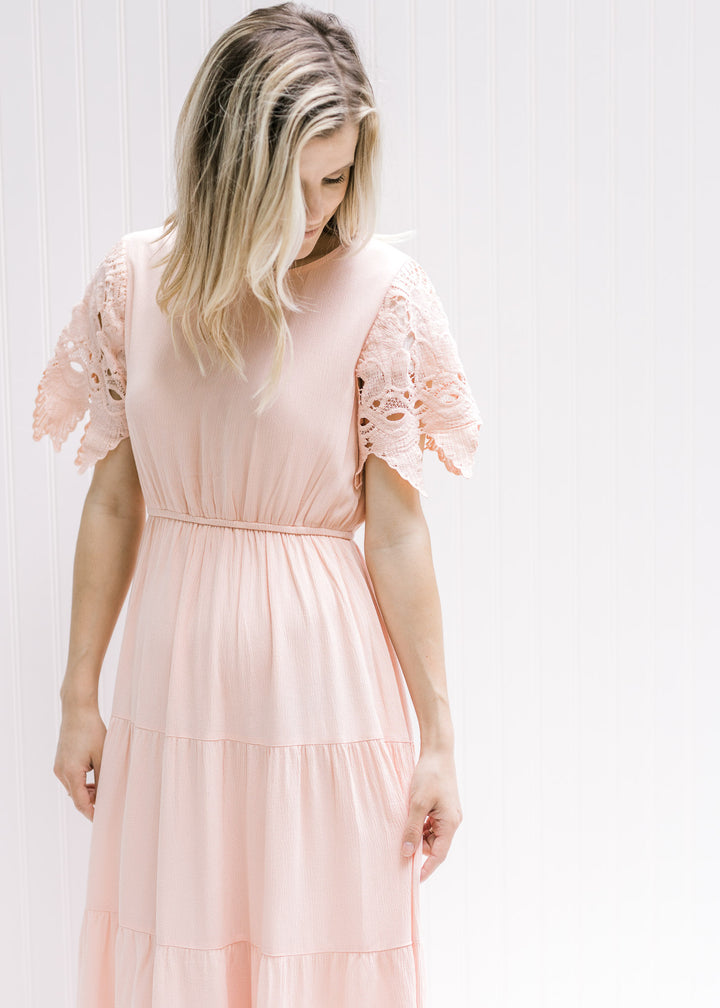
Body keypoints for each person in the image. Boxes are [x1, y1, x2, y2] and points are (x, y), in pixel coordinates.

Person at [31, 3, 483, 1005]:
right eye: (301, 182)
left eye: (340, 177)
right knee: (172, 950)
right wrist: (76, 695)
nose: (324, 207)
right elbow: (112, 501)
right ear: (231, 162)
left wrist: (440, 740)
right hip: (170, 683)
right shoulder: (136, 280)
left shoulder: (382, 294)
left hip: (323, 690)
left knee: (316, 950)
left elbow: (400, 532)